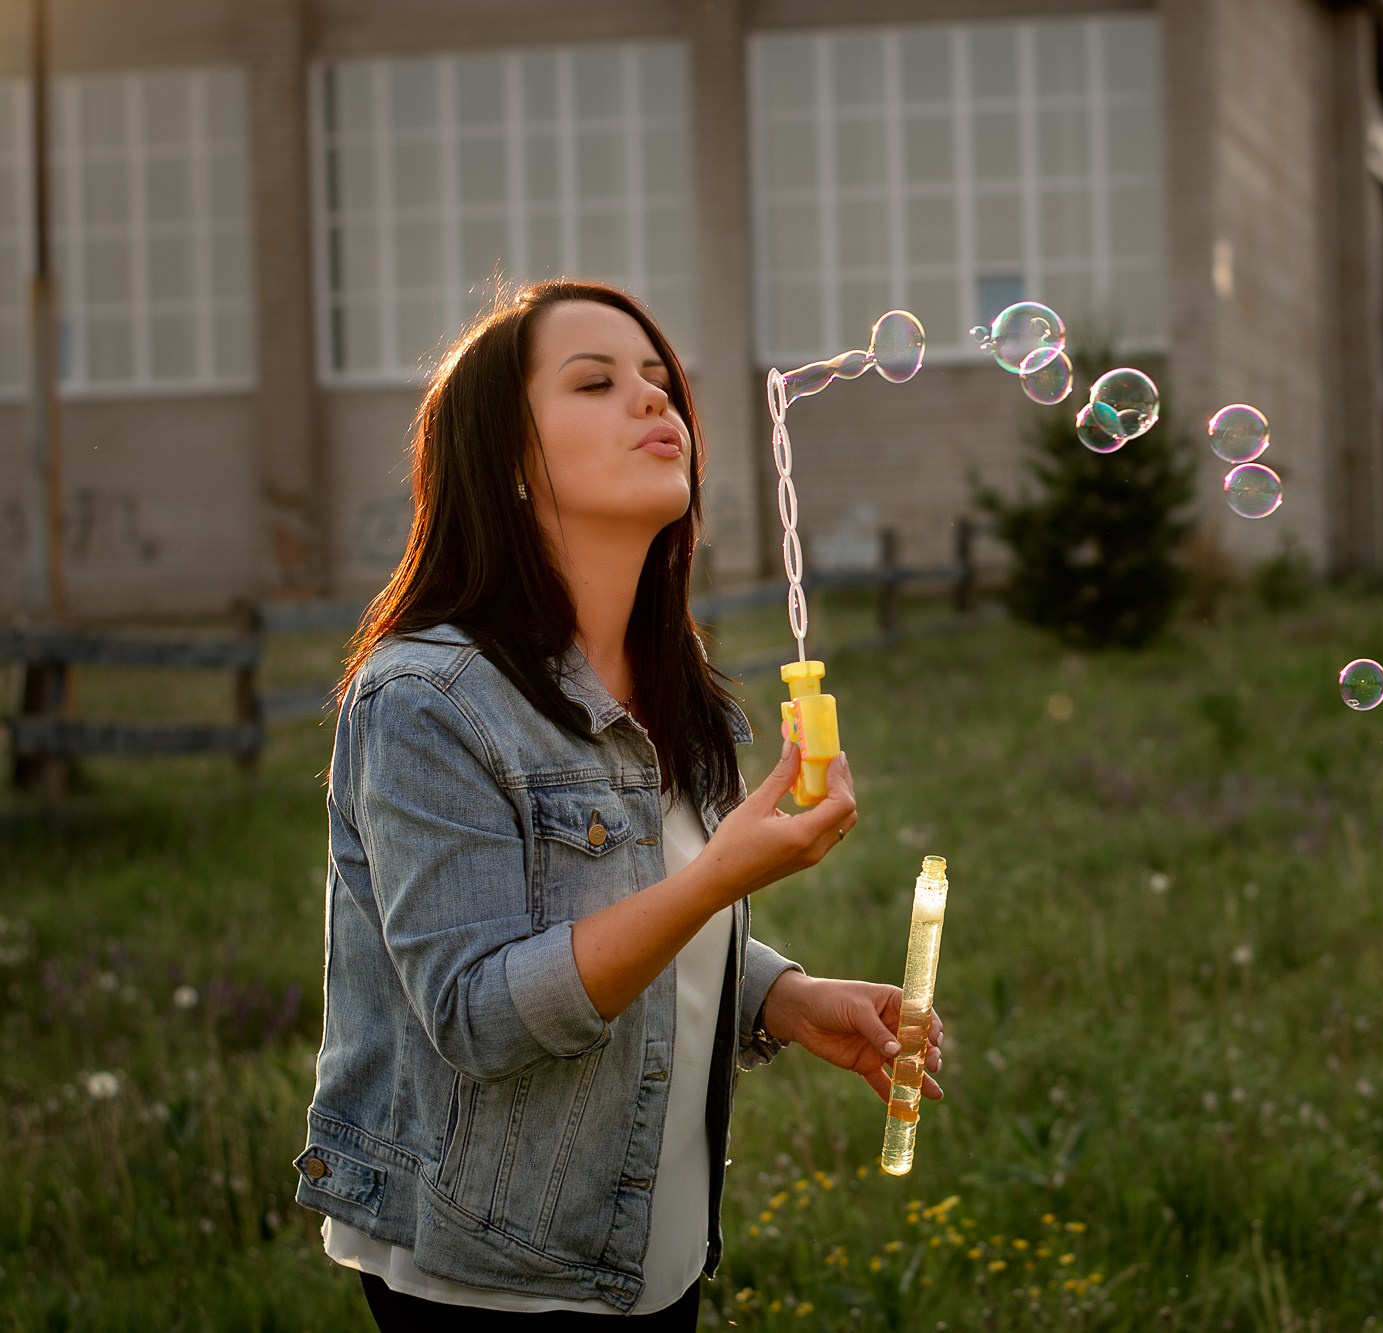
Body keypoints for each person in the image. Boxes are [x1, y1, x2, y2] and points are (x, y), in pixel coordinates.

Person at [294, 279, 944, 1328]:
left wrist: (779, 995)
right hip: (496, 1273)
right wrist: (718, 877)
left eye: (658, 380)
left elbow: (620, 906)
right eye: (595, 383)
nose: (653, 400)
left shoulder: (673, 685)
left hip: (656, 1255)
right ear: (507, 458)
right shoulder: (426, 698)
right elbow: (475, 1012)